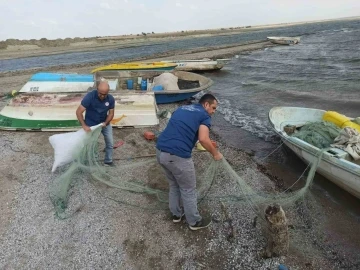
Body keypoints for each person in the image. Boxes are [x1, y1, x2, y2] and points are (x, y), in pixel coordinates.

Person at [156, 93, 223, 231]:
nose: (213, 112)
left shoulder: (182, 108)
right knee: (188, 189)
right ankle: (194, 222)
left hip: (160, 151)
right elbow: (204, 139)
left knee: (174, 184)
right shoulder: (205, 116)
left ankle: (176, 215)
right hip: (178, 156)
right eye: (213, 108)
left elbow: (180, 127)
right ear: (206, 105)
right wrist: (215, 153)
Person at [76, 80, 115, 166]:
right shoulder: (89, 97)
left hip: (104, 124)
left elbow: (111, 113)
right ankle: (95, 161)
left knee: (110, 142)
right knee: (93, 144)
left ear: (108, 92)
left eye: (104, 94)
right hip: (91, 124)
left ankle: (108, 161)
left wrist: (106, 122)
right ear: (97, 90)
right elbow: (79, 112)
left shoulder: (111, 99)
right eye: (100, 93)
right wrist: (84, 125)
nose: (102, 96)